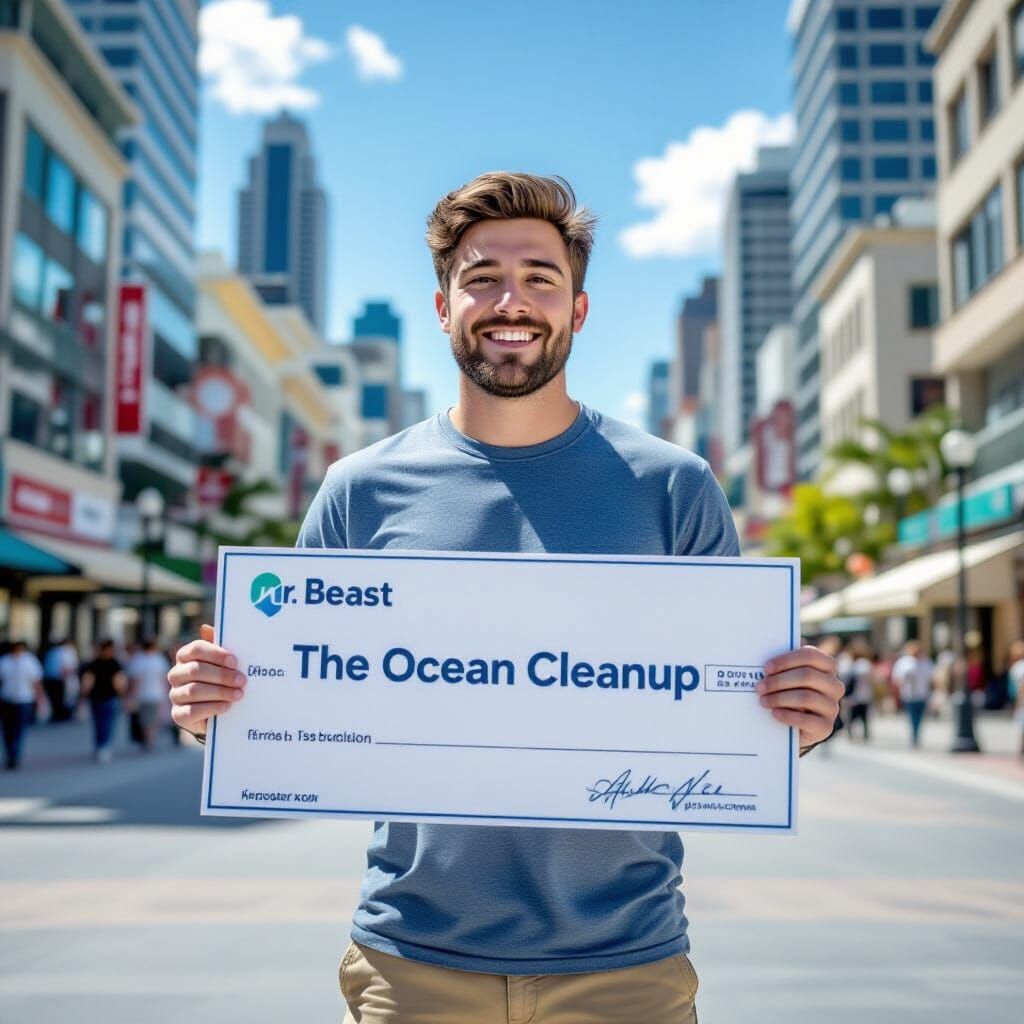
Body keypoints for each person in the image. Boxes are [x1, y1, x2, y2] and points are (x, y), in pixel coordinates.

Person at [168, 173, 843, 1023]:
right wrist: (213, 712)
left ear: (579, 311)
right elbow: (290, 705)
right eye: (481, 278)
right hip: (412, 963)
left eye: (540, 279)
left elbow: (731, 718)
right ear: (443, 307)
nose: (510, 301)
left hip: (626, 965)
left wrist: (799, 719)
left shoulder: (675, 487)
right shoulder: (358, 490)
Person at [0, 640, 44, 769]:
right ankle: (10, 754)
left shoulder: (29, 661)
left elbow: (36, 682)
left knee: (19, 729)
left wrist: (39, 699)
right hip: (7, 699)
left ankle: (15, 755)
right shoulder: (5, 661)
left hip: (24, 699)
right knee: (7, 729)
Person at [80, 639, 126, 763]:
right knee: (107, 723)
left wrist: (83, 696)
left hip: (98, 698)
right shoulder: (114, 664)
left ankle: (100, 746)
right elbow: (119, 682)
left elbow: (87, 682)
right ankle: (104, 747)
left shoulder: (93, 663)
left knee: (99, 723)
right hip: (108, 698)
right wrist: (123, 696)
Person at [128, 638, 171, 751]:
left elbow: (135, 681)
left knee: (145, 720)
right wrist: (167, 693)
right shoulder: (159, 660)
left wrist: (132, 696)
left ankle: (148, 741)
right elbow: (165, 679)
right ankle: (150, 740)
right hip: (157, 694)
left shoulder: (138, 660)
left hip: (143, 695)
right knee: (153, 719)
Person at [891, 640, 934, 748]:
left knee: (919, 716)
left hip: (922, 694)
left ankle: (916, 734)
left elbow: (931, 678)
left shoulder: (926, 662)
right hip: (908, 695)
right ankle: (914, 735)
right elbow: (897, 678)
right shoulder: (904, 662)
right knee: (912, 716)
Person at [42, 637, 79, 723]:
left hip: (50, 678)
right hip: (60, 679)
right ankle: (61, 715)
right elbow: (67, 667)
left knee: (54, 699)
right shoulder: (67, 652)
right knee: (62, 699)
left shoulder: (51, 652)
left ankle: (56, 715)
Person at [846, 639, 874, 742]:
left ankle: (850, 733)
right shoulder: (866, 664)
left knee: (853, 717)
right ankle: (865, 734)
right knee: (864, 717)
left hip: (854, 696)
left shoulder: (851, 664)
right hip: (865, 695)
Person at [1007, 640, 1024, 758]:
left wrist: (1019, 703)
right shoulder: (1017, 667)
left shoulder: (1019, 667)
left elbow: (1022, 687)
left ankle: (1021, 751)